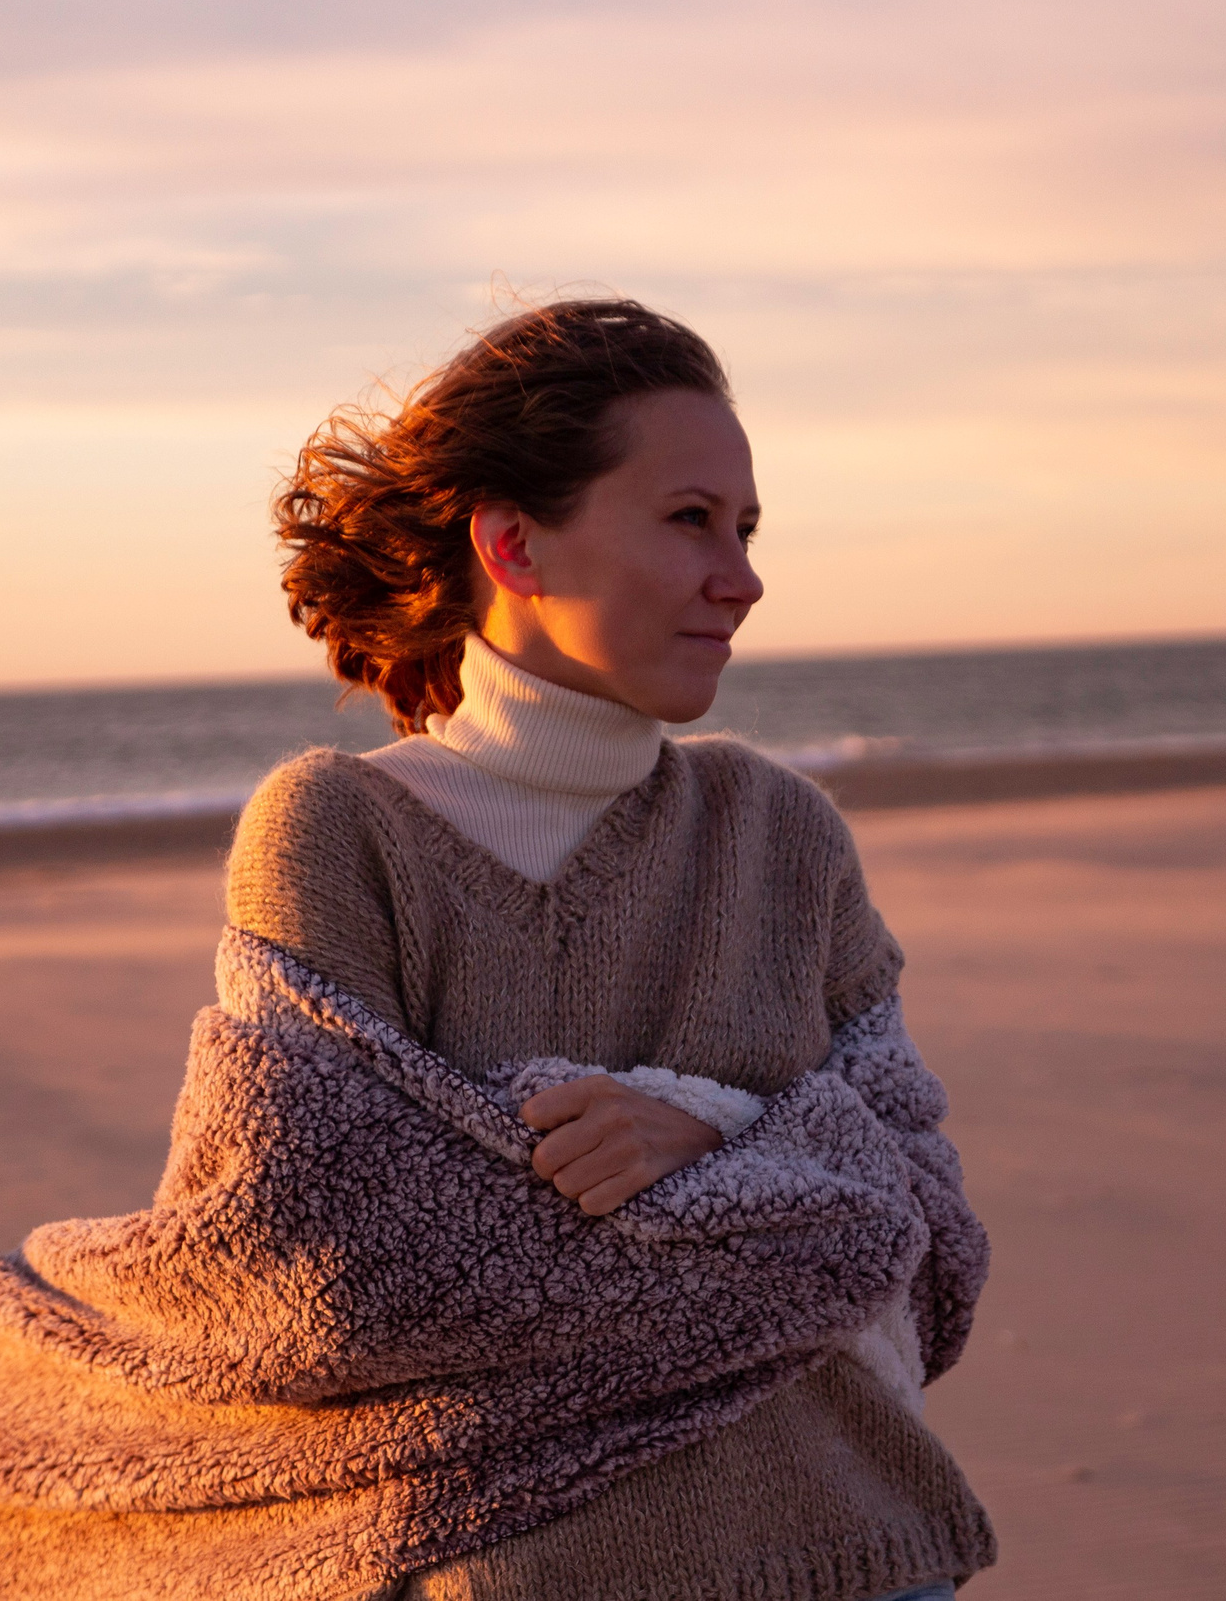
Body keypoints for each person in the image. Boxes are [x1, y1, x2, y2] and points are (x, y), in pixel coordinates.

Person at [233, 296, 996, 1600]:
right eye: (690, 519)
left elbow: (932, 1241)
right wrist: (787, 1184)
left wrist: (700, 1130)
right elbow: (312, 1267)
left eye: (747, 530)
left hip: (861, 1552)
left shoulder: (784, 834)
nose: (743, 577)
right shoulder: (339, 831)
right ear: (516, 543)